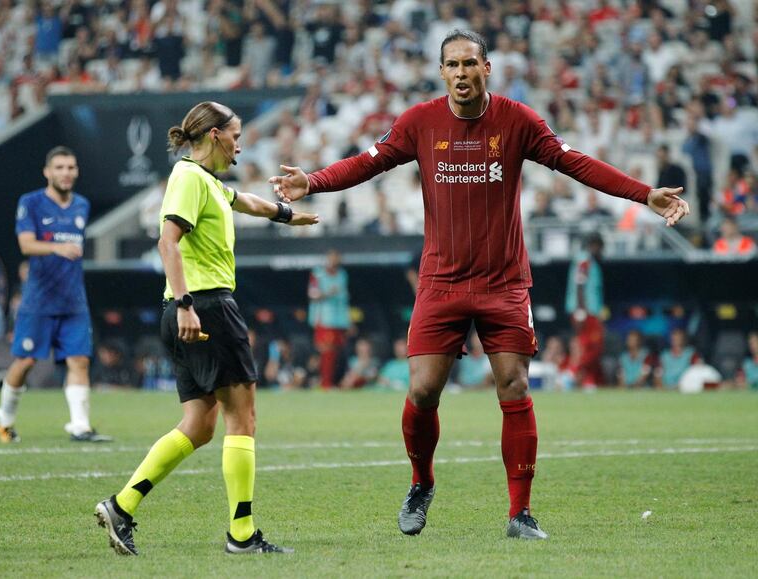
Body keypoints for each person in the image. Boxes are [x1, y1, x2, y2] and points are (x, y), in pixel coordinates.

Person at [270, 30, 689, 540]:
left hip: (504, 282)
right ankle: (421, 482)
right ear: (441, 72)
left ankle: (520, 514)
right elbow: (367, 163)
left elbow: (575, 163)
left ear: (487, 67)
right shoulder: (419, 122)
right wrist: (312, 181)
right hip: (441, 281)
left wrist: (645, 194)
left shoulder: (518, 121)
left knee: (513, 384)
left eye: (471, 63)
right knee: (423, 390)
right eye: (453, 64)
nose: (462, 73)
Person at [94, 101, 317, 557]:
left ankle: (122, 505)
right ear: (215, 135)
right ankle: (242, 534)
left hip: (191, 309)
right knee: (243, 418)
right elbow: (167, 241)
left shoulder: (209, 183)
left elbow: (247, 201)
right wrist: (187, 305)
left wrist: (287, 214)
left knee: (199, 426)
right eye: (235, 134)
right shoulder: (189, 178)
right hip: (205, 307)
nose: (241, 143)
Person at [0, 146, 111, 444]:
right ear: (47, 172)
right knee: (25, 363)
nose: (65, 173)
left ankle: (80, 426)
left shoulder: (81, 205)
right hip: (39, 301)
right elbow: (26, 245)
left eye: (70, 167)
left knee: (79, 361)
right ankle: (5, 420)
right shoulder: (31, 202)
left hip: (73, 301)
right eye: (59, 167)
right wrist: (57, 247)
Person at [565, 232, 606, 390]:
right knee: (592, 346)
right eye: (600, 247)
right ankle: (571, 373)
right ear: (594, 245)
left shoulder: (589, 261)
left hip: (590, 311)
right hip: (584, 312)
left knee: (591, 347)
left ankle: (588, 380)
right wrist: (580, 311)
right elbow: (580, 284)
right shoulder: (584, 259)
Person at [308, 249, 350, 389]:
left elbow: (344, 298)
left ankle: (331, 381)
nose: (334, 261)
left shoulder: (343, 275)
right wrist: (328, 293)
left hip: (339, 319)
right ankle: (325, 383)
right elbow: (312, 294)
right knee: (325, 350)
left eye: (336, 258)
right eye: (331, 258)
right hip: (324, 318)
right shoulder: (318, 273)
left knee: (336, 352)